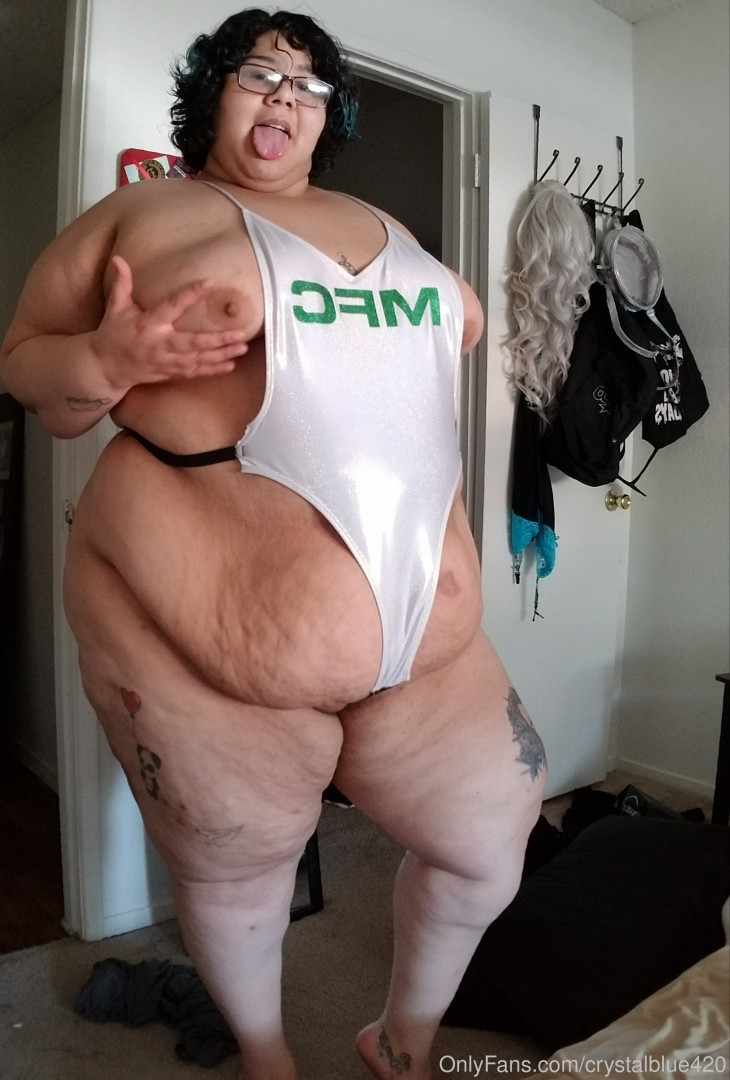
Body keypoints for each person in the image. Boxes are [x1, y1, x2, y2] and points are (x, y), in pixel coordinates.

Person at [0, 10, 546, 1079]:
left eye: (308, 84)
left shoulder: (377, 219)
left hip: (425, 641)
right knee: (235, 871)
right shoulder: (134, 215)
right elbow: (26, 366)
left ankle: (403, 1042)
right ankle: (265, 1057)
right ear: (211, 90)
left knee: (489, 850)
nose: (283, 96)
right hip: (199, 630)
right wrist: (109, 359)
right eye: (257, 73)